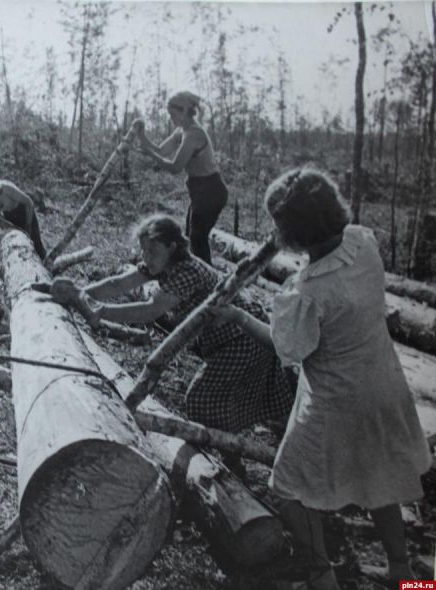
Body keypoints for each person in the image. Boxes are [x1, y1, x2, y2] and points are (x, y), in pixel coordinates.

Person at [213, 169, 432, 589]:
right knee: (380, 475)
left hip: (336, 399)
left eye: (278, 224)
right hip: (384, 385)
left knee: (287, 488)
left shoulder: (308, 290)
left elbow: (287, 348)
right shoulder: (362, 244)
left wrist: (238, 316)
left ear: (295, 231)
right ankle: (404, 575)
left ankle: (322, 577)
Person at [54, 213, 295, 438]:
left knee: (202, 399)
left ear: (172, 247)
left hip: (243, 337)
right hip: (223, 339)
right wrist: (79, 294)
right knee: (220, 399)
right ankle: (235, 444)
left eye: (153, 251)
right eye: (143, 250)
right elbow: (117, 284)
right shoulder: (160, 265)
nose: (146, 257)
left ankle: (231, 447)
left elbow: (150, 310)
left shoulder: (186, 270)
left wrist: (100, 311)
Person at [133, 91, 227, 265]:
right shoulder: (181, 131)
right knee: (191, 236)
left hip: (211, 191)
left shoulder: (194, 134)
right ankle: (195, 272)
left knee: (198, 238)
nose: (171, 119)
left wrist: (151, 155)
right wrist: (141, 134)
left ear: (184, 111)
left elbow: (175, 167)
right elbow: (160, 150)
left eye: (173, 115)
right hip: (199, 191)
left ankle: (206, 277)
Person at [0, 171, 47, 259]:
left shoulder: (6, 188)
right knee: (19, 243)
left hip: (25, 211)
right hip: (9, 217)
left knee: (36, 243)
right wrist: (8, 229)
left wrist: (28, 225)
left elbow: (29, 203)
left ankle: (46, 262)